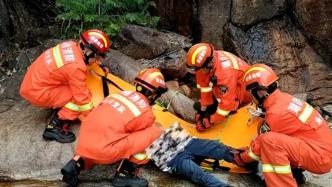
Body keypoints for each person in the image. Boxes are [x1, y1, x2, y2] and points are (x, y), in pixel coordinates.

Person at [60, 68, 168, 187]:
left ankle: (75, 164)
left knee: (106, 131)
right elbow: (140, 135)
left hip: (83, 145)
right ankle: (125, 174)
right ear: (154, 94)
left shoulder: (118, 94)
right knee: (156, 131)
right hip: (104, 152)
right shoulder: (147, 113)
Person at [232, 64, 332, 187]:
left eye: (252, 94)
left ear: (260, 91)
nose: (252, 99)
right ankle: (294, 174)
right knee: (266, 132)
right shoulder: (284, 99)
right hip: (320, 150)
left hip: (320, 157)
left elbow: (259, 146)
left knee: (269, 141)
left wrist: (241, 158)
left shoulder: (276, 112)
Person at [19, 29, 111, 143]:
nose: (97, 60)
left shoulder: (71, 45)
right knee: (78, 97)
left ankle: (58, 102)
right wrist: (97, 121)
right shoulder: (77, 67)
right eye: (97, 57)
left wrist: (98, 64)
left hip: (33, 83)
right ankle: (54, 126)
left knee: (76, 90)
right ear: (88, 51)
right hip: (38, 92)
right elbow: (83, 101)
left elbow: (73, 63)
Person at [143, 122, 235, 187]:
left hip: (187, 144)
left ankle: (241, 158)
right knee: (199, 174)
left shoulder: (158, 127)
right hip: (174, 159)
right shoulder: (144, 144)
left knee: (216, 147)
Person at [186, 43, 252, 132]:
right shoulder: (206, 63)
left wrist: (210, 121)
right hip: (229, 85)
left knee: (226, 114)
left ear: (209, 63)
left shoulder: (225, 74)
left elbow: (227, 105)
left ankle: (234, 111)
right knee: (200, 107)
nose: (194, 72)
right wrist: (202, 112)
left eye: (195, 69)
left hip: (243, 93)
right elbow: (205, 88)